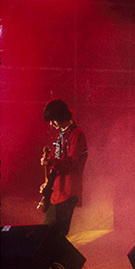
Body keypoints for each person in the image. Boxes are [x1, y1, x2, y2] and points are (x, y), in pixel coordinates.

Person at [39, 99, 88, 237]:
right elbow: (58, 165)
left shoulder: (77, 134)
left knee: (51, 233)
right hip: (57, 192)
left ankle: (70, 259)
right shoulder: (61, 133)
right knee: (52, 234)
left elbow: (70, 162)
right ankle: (66, 259)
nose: (51, 124)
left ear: (61, 116)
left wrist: (51, 161)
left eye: (53, 120)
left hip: (67, 192)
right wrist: (48, 183)